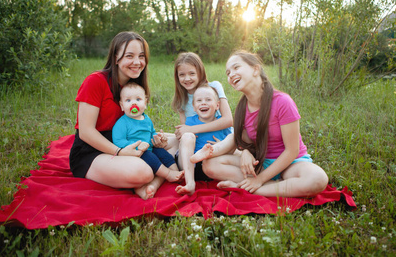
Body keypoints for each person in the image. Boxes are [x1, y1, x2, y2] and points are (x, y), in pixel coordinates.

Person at [199, 51, 329, 198]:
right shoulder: (242, 108)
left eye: (236, 68)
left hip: (290, 164)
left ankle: (248, 188)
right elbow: (246, 143)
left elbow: (292, 151)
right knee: (209, 165)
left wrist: (259, 180)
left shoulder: (282, 102)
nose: (231, 75)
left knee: (317, 179)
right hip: (260, 163)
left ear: (256, 69)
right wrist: (246, 152)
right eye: (228, 73)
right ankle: (277, 187)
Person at [69, 31, 168, 200]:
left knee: (174, 143)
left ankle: (151, 185)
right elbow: (86, 132)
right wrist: (120, 151)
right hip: (92, 151)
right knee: (142, 171)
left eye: (141, 56)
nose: (137, 62)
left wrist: (155, 138)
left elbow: (134, 123)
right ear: (116, 58)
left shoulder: (132, 86)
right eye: (129, 56)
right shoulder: (95, 81)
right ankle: (150, 181)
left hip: (126, 141)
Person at [168, 52, 233, 195]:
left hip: (219, 144)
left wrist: (191, 129)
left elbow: (228, 120)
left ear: (200, 72)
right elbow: (186, 134)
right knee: (172, 141)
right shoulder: (181, 99)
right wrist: (185, 132)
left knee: (237, 138)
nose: (187, 78)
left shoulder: (214, 87)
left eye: (192, 73)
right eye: (182, 75)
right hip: (196, 154)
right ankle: (189, 182)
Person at [112, 82, 184, 190]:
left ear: (145, 103)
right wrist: (136, 145)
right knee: (151, 158)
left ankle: (176, 172)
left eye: (138, 99)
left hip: (150, 148)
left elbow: (152, 132)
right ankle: (168, 174)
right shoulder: (122, 123)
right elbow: (118, 140)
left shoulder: (146, 119)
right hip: (135, 153)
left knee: (163, 154)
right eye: (128, 100)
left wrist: (157, 137)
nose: (133, 103)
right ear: (122, 105)